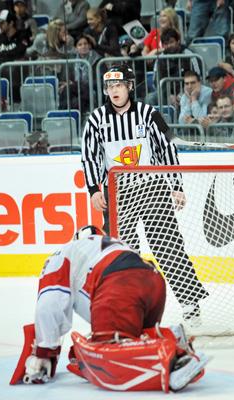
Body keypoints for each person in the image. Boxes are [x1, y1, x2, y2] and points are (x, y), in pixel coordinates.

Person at [81, 63, 209, 325]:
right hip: (119, 193)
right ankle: (127, 303)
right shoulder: (96, 119)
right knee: (122, 251)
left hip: (153, 187)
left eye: (118, 85)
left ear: (129, 87)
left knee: (167, 245)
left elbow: (168, 150)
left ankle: (190, 304)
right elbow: (89, 156)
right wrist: (94, 188)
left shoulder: (149, 114)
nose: (114, 91)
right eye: (110, 86)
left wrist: (176, 185)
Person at [9, 225, 209, 391]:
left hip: (119, 282)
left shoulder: (63, 252)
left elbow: (49, 304)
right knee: (135, 338)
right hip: (153, 280)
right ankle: (169, 338)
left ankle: (172, 364)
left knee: (109, 350)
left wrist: (45, 352)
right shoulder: (109, 244)